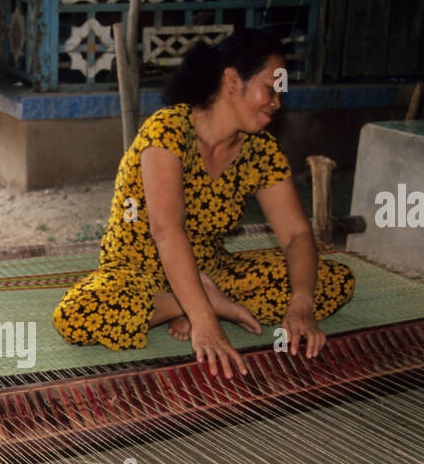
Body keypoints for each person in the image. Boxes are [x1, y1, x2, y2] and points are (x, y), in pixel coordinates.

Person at [52, 28, 355, 379]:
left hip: (212, 272)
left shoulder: (260, 150)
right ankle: (196, 303)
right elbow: (167, 232)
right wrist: (205, 320)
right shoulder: (168, 130)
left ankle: (202, 299)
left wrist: (301, 304)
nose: (277, 102)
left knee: (333, 279)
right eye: (270, 89)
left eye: (281, 93)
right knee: (77, 314)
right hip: (140, 273)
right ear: (231, 80)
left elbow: (297, 236)